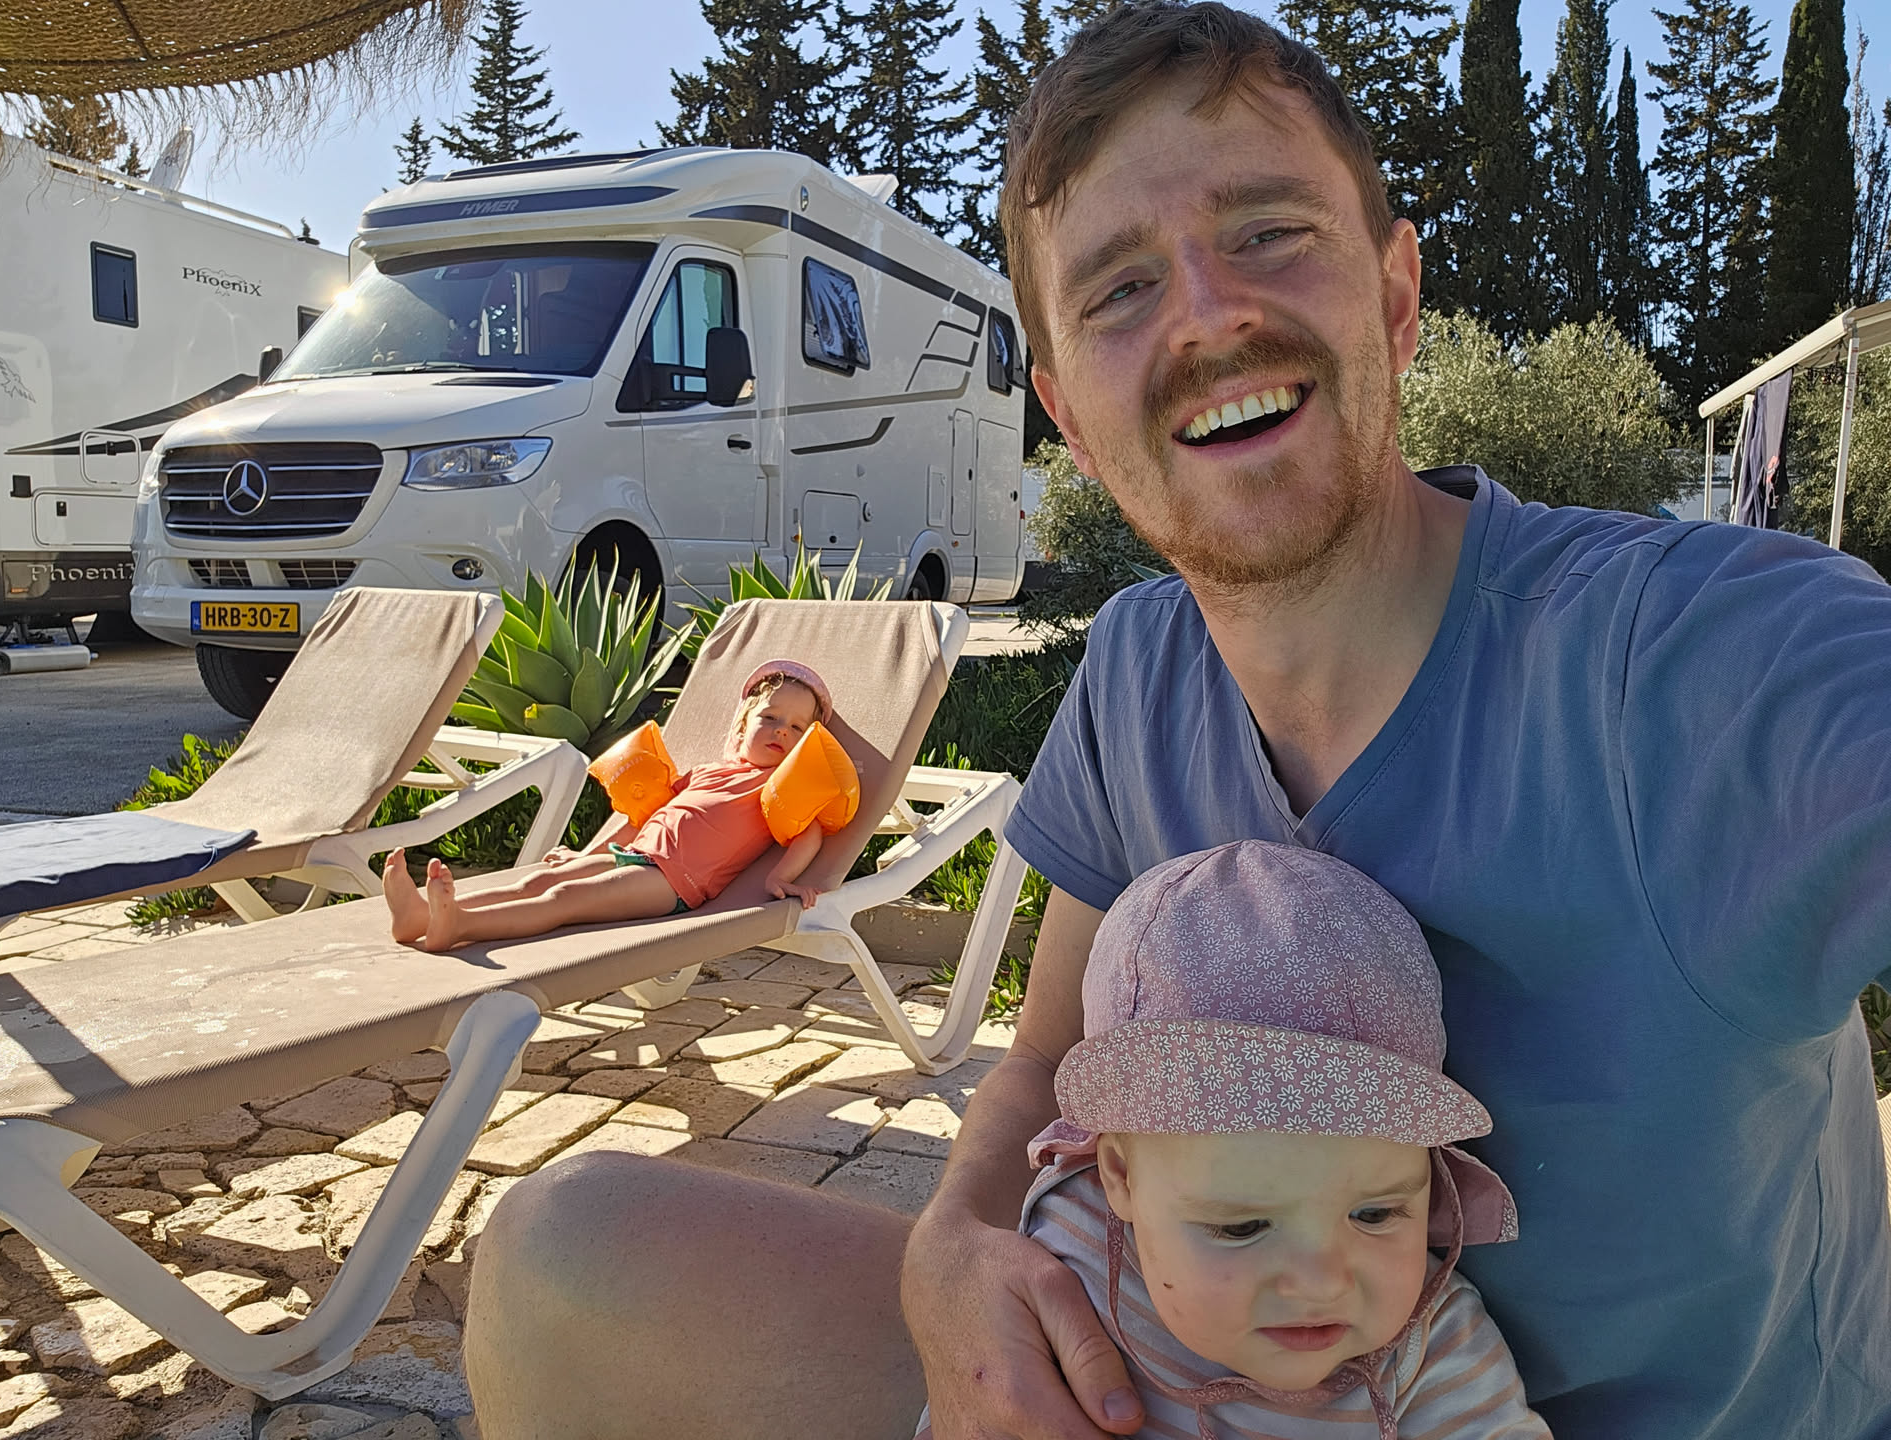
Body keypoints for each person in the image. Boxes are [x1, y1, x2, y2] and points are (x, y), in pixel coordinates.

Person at [461, 6, 1891, 1437]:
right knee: (562, 1255)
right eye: (1121, 288)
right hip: (1183, 1396)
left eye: (1269, 232)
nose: (1208, 317)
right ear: (1069, 420)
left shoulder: (1709, 658)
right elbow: (1044, 1064)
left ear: (1397, 297)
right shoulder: (1140, 670)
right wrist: (956, 1241)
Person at [916, 840, 1547, 1440]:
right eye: (1242, 1227)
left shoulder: (1433, 1347)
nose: (1320, 1283)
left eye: (1376, 1214)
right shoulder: (1068, 1254)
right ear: (1120, 1177)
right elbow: (977, 1400)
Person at [383, 661, 833, 950]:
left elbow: (809, 833)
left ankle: (460, 925)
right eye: (770, 718)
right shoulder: (707, 772)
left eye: (797, 728)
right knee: (541, 880)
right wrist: (585, 855)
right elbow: (642, 817)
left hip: (673, 883)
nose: (781, 730)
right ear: (741, 726)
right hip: (634, 858)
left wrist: (780, 878)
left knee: (565, 898)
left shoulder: (778, 787)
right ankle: (419, 915)